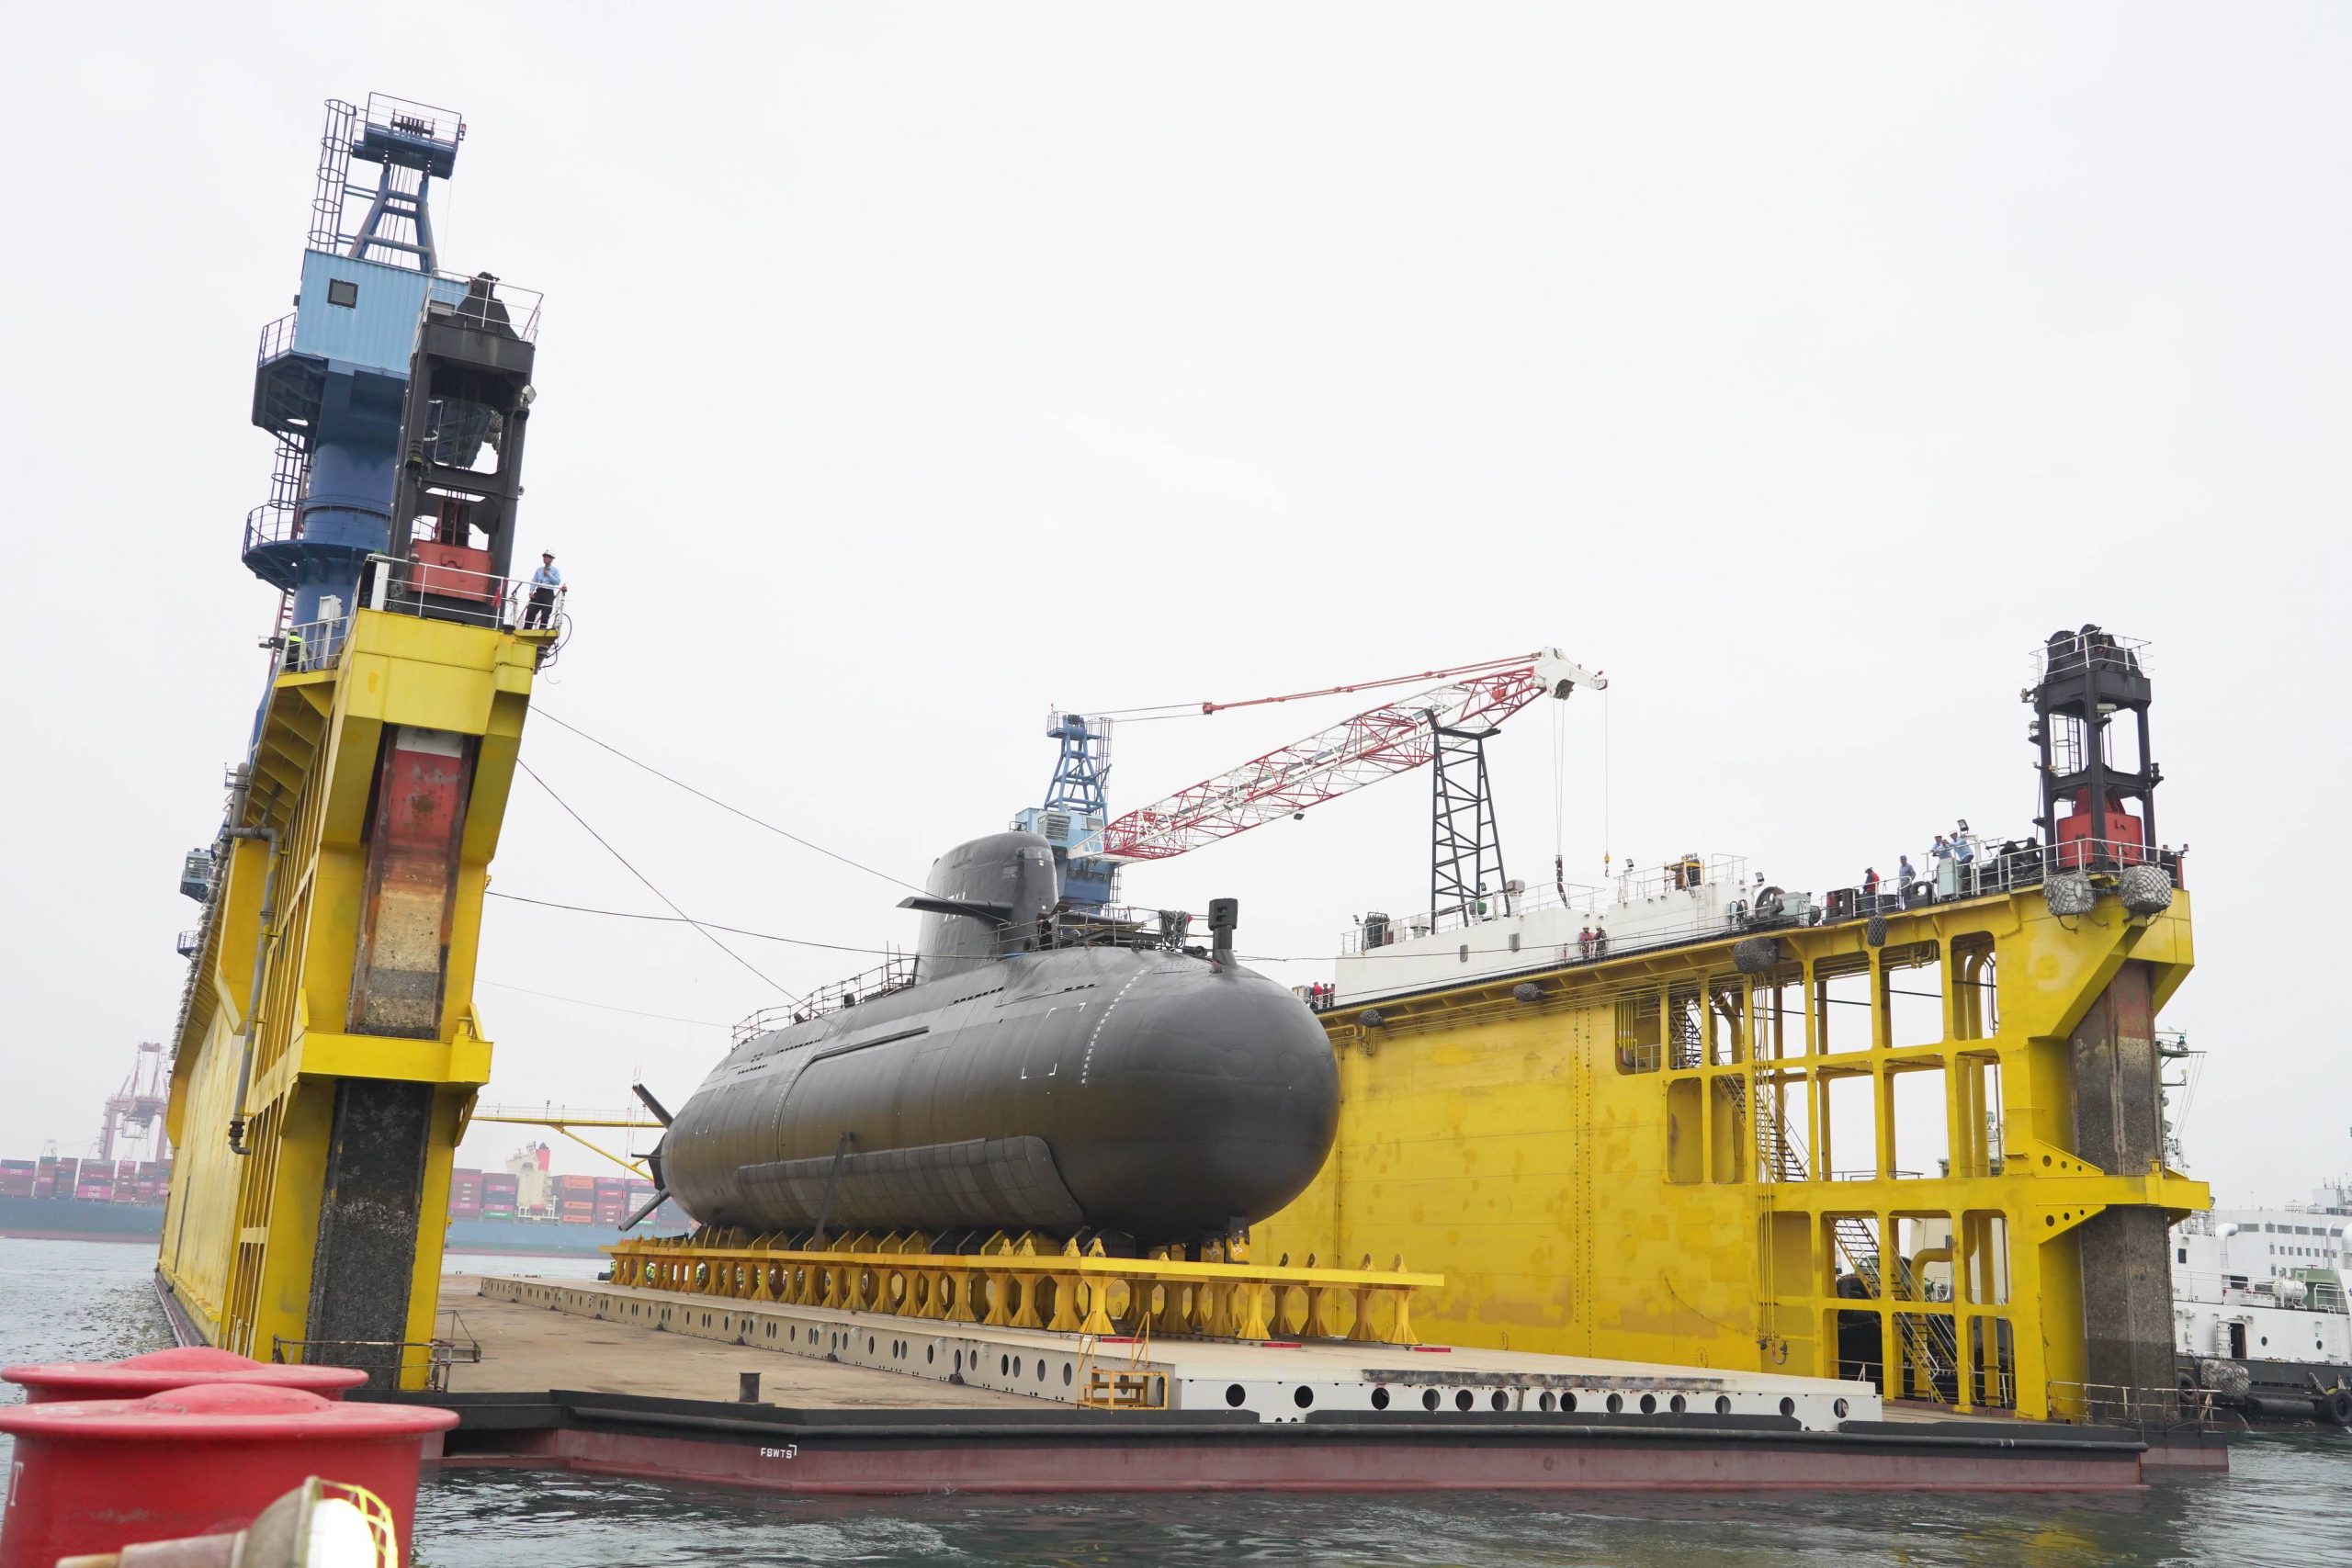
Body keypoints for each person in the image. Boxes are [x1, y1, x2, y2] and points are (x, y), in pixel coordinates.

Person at [523, 550, 562, 629]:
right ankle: (527, 628)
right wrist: (531, 591)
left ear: (551, 559)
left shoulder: (555, 570)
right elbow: (534, 580)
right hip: (539, 591)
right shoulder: (539, 570)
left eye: (546, 557)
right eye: (544, 557)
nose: (544, 558)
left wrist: (549, 575)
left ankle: (542, 628)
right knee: (531, 609)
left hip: (548, 592)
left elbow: (557, 582)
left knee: (546, 611)